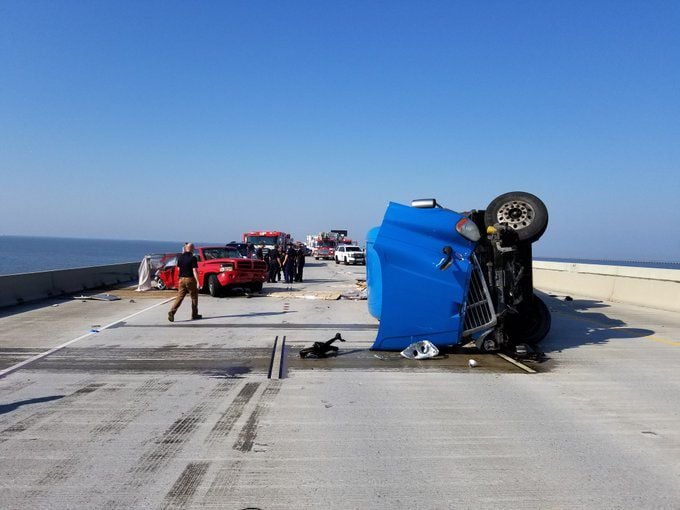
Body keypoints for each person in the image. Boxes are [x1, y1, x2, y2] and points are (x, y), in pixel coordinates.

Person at [168, 243, 202, 322]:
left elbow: (179, 269)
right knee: (194, 297)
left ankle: (172, 312)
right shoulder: (193, 258)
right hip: (190, 279)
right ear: (192, 249)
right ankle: (194, 315)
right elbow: (194, 270)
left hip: (181, 279)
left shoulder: (180, 257)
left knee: (180, 297)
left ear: (186, 248)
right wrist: (198, 282)